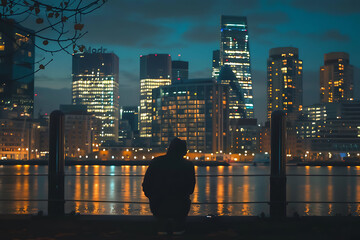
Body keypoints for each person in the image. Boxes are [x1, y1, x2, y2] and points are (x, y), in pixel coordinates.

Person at [142, 137, 196, 235]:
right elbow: (191, 188)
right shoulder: (188, 165)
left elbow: (146, 184)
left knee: (161, 229)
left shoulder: (156, 162)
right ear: (183, 151)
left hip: (158, 204)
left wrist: (152, 197)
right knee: (179, 230)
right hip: (180, 205)